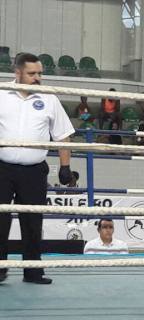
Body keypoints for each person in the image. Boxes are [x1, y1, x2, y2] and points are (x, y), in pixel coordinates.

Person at [0, 53, 75, 285]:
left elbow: (63, 134)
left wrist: (65, 167)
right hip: (2, 168)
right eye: (32, 73)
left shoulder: (48, 98)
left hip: (34, 171)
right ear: (18, 73)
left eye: (40, 73)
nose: (37, 78)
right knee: (0, 221)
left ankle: (32, 271)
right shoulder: (1, 93)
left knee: (33, 222)